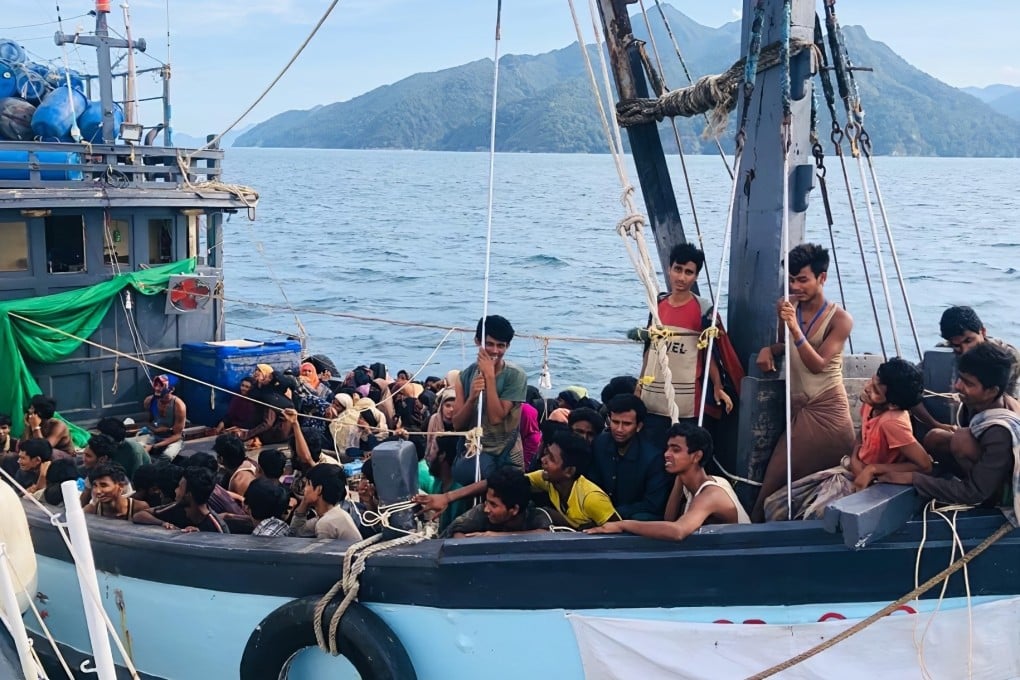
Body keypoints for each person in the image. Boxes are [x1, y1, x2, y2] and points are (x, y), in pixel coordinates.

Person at [751, 243, 856, 522]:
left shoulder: (841, 320)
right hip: (798, 409)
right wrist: (770, 350)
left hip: (827, 411)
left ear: (822, 278)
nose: (796, 286)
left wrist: (793, 327)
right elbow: (790, 346)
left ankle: (752, 531)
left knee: (773, 484)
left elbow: (817, 363)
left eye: (803, 279)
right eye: (792, 280)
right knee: (786, 486)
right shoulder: (788, 308)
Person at [763, 358, 932, 521]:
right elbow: (861, 435)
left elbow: (924, 465)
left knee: (816, 517)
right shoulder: (870, 404)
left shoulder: (892, 422)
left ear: (893, 405)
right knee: (776, 504)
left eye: (876, 391)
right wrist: (855, 456)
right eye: (871, 382)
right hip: (852, 469)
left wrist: (872, 469)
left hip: (873, 483)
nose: (867, 388)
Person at [880, 343, 1019, 510]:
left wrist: (914, 479)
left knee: (961, 439)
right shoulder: (979, 403)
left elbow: (975, 493)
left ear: (991, 391)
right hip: (984, 469)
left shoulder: (1000, 430)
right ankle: (946, 478)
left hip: (997, 492)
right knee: (935, 437)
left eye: (968, 383)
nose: (958, 386)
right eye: (960, 378)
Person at [635, 243, 740, 450]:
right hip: (653, 400)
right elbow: (650, 350)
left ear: (696, 276)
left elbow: (711, 352)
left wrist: (718, 386)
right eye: (678, 269)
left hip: (688, 405)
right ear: (669, 269)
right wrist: (639, 387)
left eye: (689, 272)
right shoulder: (657, 306)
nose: (681, 278)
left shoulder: (703, 311)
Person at [587, 423, 750, 540]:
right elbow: (669, 519)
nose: (667, 454)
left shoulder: (711, 494)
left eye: (676, 450)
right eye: (667, 448)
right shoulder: (691, 480)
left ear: (697, 456)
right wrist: (679, 478)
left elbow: (677, 531)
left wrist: (622, 525)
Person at [919, 306, 1020, 456]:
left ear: (983, 332)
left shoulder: (1006, 357)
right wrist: (934, 423)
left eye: (969, 340)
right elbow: (911, 384)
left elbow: (1008, 406)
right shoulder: (941, 355)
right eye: (957, 345)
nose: (965, 350)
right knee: (934, 438)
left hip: (994, 426)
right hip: (957, 422)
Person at [450, 315, 528, 483]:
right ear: (478, 341)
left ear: (507, 346)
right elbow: (457, 424)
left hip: (506, 454)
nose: (495, 351)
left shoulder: (515, 376)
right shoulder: (465, 376)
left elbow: (495, 418)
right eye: (490, 344)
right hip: (474, 451)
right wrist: (471, 398)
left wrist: (490, 377)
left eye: (501, 346)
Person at [586, 394, 672, 520]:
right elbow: (592, 482)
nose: (619, 429)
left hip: (632, 519)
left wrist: (614, 514)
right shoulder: (599, 444)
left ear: (639, 426)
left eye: (626, 424)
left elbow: (653, 504)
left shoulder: (653, 457)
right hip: (600, 513)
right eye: (615, 422)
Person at [527, 431, 618, 529]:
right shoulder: (547, 478)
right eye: (546, 453)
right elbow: (516, 481)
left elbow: (620, 533)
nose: (543, 459)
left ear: (569, 471)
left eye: (551, 459)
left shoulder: (592, 499)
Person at [440, 467, 553, 538]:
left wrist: (497, 537)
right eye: (487, 502)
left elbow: (545, 534)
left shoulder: (536, 517)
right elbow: (456, 530)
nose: (486, 509)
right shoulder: (482, 512)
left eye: (494, 504)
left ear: (514, 509)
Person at [133, 467, 229, 533]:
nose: (176, 491)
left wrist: (199, 537)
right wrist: (163, 523)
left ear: (188, 495)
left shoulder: (217, 527)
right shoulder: (176, 508)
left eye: (179, 487)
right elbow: (139, 515)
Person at [289, 463, 361, 540]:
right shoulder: (335, 514)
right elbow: (296, 532)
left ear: (319, 490)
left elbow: (321, 551)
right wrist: (305, 502)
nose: (305, 489)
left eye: (308, 484)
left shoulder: (325, 523)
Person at [143, 374, 187, 462]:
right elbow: (147, 423)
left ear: (171, 389)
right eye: (156, 385)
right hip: (154, 435)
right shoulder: (149, 401)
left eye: (161, 386)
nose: (157, 389)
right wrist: (154, 430)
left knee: (166, 456)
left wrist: (154, 446)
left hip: (173, 438)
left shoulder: (179, 405)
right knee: (139, 449)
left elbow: (178, 435)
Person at [84, 464, 149, 521]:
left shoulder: (139, 508)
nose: (98, 491)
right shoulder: (90, 510)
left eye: (104, 485)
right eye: (95, 486)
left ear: (120, 486)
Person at [22, 395, 74, 459]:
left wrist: (35, 427)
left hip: (65, 459)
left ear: (39, 413)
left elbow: (43, 449)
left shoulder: (59, 426)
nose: (29, 411)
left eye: (32, 409)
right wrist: (28, 426)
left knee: (50, 454)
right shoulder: (32, 422)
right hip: (41, 457)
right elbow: (25, 444)